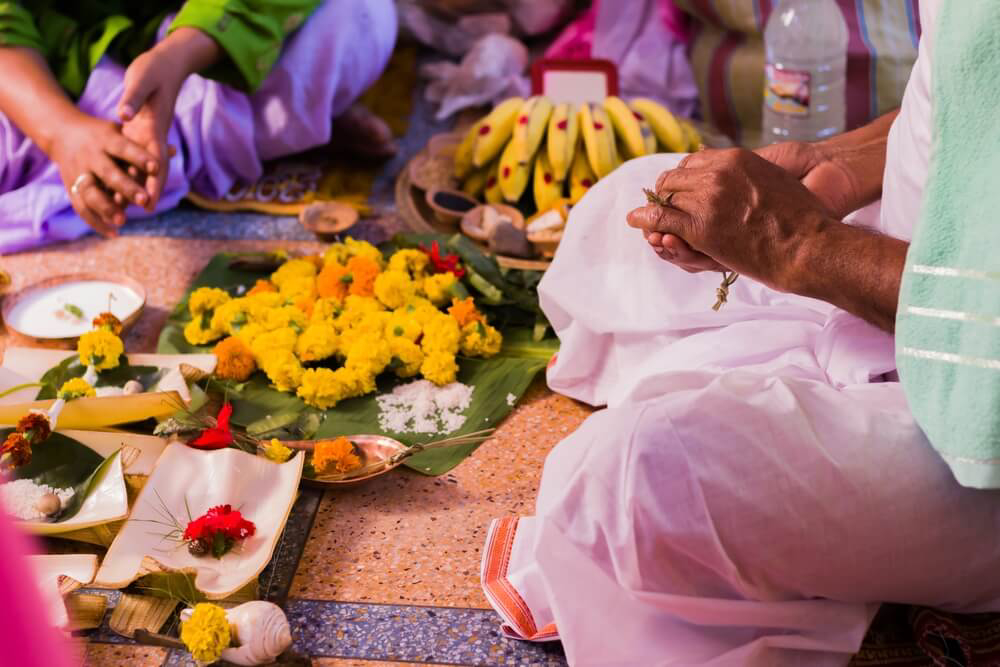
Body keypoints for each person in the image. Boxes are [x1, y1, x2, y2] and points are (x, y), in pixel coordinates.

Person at [480, 0, 1000, 664]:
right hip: (905, 270)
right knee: (616, 217)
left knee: (640, 476)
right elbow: (966, 89)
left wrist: (803, 245)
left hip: (973, 417)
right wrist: (829, 166)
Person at [0, 0, 398, 253]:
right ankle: (271, 135)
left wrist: (179, 55)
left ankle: (149, 153)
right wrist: (60, 131)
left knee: (360, 14)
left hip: (202, 52)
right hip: (42, 75)